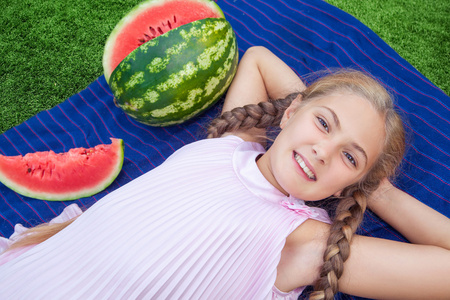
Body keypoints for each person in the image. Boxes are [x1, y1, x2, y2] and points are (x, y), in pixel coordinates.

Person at [0, 46, 449, 300]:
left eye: (350, 158)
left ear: (351, 183)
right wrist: (301, 115)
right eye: (323, 122)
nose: (323, 150)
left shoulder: (303, 244)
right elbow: (257, 59)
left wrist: (379, 191)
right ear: (290, 111)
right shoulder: (228, 146)